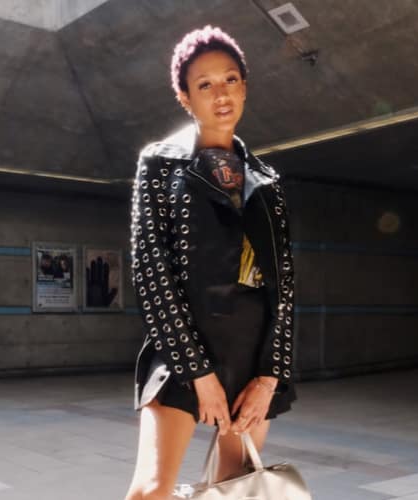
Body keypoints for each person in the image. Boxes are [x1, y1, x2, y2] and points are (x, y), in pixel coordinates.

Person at [125, 25, 296, 500]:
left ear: (245, 87)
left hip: (252, 352)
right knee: (151, 490)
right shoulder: (160, 163)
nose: (221, 94)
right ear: (185, 97)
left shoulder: (266, 178)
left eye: (230, 80)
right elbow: (151, 272)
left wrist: (269, 377)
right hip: (183, 346)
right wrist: (198, 373)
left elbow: (283, 286)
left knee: (235, 489)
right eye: (205, 84)